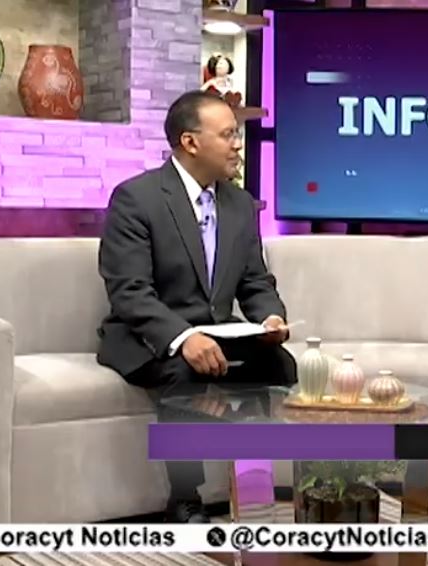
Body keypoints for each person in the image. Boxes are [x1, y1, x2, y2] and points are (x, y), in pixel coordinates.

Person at [97, 90, 297, 523]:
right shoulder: (136, 198)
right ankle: (185, 496)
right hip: (149, 336)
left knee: (279, 364)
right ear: (190, 142)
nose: (238, 145)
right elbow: (129, 290)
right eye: (228, 135)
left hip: (219, 332)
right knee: (185, 371)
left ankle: (256, 482)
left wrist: (270, 317)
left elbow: (254, 281)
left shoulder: (239, 203)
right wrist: (184, 337)